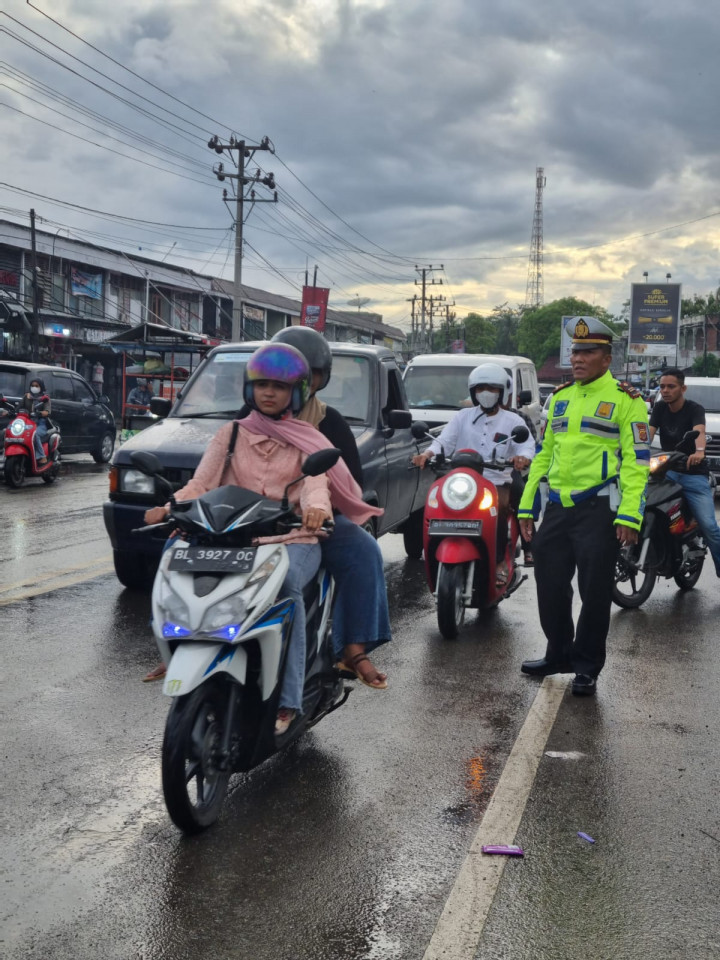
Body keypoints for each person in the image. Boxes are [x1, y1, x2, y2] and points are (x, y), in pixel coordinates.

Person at [144, 342, 383, 735]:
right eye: (261, 384)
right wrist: (170, 506)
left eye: (279, 386)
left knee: (286, 591)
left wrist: (317, 510)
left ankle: (289, 698)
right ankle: (178, 647)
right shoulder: (231, 433)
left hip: (290, 538)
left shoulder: (311, 438)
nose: (269, 392)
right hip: (234, 537)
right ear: (248, 388)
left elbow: (316, 487)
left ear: (298, 392)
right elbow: (201, 484)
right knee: (174, 557)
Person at [518, 317, 651, 697]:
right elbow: (543, 456)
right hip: (558, 508)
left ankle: (587, 665)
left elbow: (636, 463)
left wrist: (630, 513)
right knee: (550, 584)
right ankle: (558, 652)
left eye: (588, 351)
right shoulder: (559, 398)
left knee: (594, 592)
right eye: (575, 351)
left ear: (606, 359)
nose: (578, 358)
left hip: (599, 509)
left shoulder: (628, 401)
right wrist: (527, 506)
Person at [269, 326, 388, 687]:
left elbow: (348, 479)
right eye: (284, 371)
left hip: (314, 524)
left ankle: (353, 647)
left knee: (365, 550)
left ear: (318, 379)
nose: (291, 381)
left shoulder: (329, 422)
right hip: (252, 522)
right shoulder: (249, 418)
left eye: (307, 373)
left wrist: (318, 509)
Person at [412, 362, 536, 584]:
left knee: (496, 510)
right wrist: (427, 454)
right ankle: (430, 552)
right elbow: (444, 441)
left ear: (502, 392)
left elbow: (526, 445)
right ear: (473, 392)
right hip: (462, 480)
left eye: (491, 388)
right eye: (480, 389)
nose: (485, 393)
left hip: (496, 481)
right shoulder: (463, 416)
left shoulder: (514, 421)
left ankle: (499, 560)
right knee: (435, 502)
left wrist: (522, 457)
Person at [649, 367, 720, 576]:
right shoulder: (660, 408)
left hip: (694, 474)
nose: (665, 390)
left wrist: (699, 451)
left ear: (683, 388)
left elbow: (699, 431)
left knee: (709, 526)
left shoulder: (694, 408)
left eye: (671, 386)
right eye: (662, 386)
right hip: (667, 472)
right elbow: (647, 433)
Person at [21, 378, 51, 464]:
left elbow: (47, 411)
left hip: (40, 424)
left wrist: (39, 413)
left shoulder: (45, 398)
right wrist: (9, 411)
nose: (34, 387)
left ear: (41, 387)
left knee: (34, 434)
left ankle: (42, 456)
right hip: (26, 423)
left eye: (36, 386)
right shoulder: (26, 397)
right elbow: (18, 408)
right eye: (32, 386)